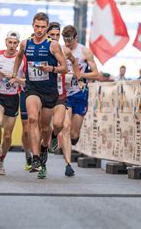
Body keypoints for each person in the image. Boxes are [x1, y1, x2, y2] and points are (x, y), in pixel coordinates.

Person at [10, 13, 67, 179]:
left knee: (45, 127)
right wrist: (14, 73)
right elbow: (19, 56)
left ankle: (43, 148)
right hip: (32, 88)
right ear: (32, 26)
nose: (40, 30)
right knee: (32, 119)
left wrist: (52, 69)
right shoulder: (25, 43)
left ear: (47, 27)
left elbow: (64, 68)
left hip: (49, 91)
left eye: (43, 27)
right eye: (37, 26)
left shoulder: (53, 45)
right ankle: (35, 157)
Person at [0, 31, 25, 175]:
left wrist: (16, 79)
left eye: (15, 43)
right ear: (5, 42)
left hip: (13, 98)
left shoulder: (23, 59)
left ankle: (1, 162)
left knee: (8, 136)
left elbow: (28, 80)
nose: (12, 46)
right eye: (10, 42)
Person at [62, 25, 99, 177]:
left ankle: (74, 139)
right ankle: (68, 165)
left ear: (76, 38)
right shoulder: (61, 50)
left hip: (80, 93)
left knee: (74, 133)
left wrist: (79, 74)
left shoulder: (85, 51)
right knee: (65, 126)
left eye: (70, 41)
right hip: (65, 94)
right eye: (65, 40)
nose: (67, 44)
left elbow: (97, 74)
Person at [46, 22, 81, 154]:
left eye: (57, 35)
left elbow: (74, 62)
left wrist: (80, 79)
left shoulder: (65, 50)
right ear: (47, 35)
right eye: (51, 35)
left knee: (59, 125)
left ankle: (55, 136)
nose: (55, 38)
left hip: (59, 93)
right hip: (42, 92)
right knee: (42, 127)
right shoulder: (41, 48)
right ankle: (39, 159)